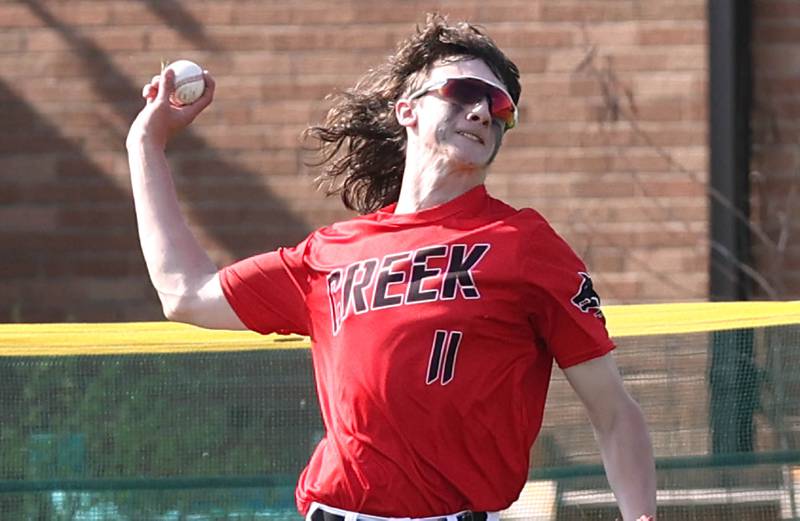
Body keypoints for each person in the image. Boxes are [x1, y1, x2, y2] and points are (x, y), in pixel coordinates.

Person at [126, 13, 656, 521]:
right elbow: (184, 293)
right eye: (464, 93)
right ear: (408, 109)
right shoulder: (331, 251)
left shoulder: (525, 244)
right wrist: (144, 143)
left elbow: (614, 412)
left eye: (500, 108)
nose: (483, 112)